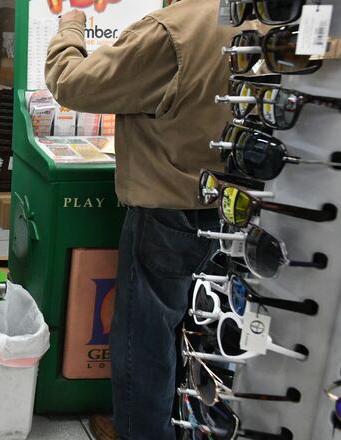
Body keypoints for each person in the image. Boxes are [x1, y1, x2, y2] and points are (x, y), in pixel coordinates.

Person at [45, 0, 246, 439]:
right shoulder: (259, 19)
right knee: (214, 334)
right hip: (236, 208)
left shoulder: (169, 31)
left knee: (146, 336)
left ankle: (141, 431)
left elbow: (71, 83)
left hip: (170, 209)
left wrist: (71, 27)